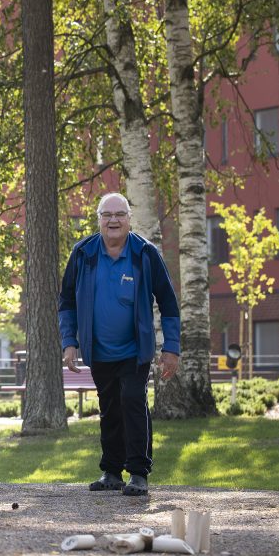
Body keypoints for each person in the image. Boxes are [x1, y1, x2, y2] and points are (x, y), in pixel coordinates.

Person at [58, 192, 180, 497]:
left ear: (129, 219)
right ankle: (111, 471)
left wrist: (171, 348)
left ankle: (138, 473)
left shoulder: (145, 254)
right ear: (98, 219)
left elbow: (168, 302)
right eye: (107, 215)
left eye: (119, 214)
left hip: (135, 349)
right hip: (98, 349)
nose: (113, 220)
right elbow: (66, 302)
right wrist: (69, 342)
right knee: (110, 407)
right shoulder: (83, 253)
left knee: (132, 400)